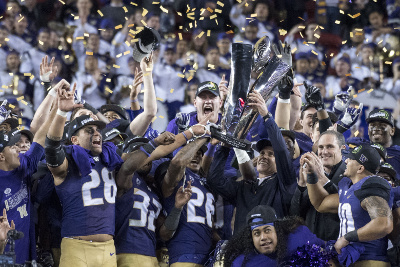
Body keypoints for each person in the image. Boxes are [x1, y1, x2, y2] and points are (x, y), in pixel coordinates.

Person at [44, 82, 152, 267]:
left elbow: (135, 151)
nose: (97, 134)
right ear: (74, 139)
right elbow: (52, 149)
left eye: (98, 130)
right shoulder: (68, 160)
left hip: (108, 248)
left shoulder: (110, 157)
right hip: (75, 245)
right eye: (89, 130)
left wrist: (161, 141)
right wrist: (61, 112)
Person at [208, 90, 297, 233]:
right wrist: (225, 146)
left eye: (271, 154)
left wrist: (266, 115)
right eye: (261, 153)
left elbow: (281, 151)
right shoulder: (245, 187)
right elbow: (215, 180)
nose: (264, 156)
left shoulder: (285, 183)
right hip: (242, 252)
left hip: (272, 251)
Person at [306, 144, 393, 266]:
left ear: (360, 168)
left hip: (370, 260)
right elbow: (320, 204)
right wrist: (310, 175)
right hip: (350, 260)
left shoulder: (371, 186)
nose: (346, 160)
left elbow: (384, 224)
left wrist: (346, 238)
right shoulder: (349, 187)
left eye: (351, 159)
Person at [0, 91, 57, 263]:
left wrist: (54, 99)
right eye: (13, 146)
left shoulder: (22, 165)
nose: (19, 148)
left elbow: (38, 132)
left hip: (25, 253)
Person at [222, 205, 327, 267]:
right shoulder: (242, 262)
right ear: (251, 238)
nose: (263, 237)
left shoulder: (299, 237)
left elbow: (326, 252)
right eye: (257, 233)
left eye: (267, 230)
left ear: (277, 231)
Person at [291, 130, 346, 241]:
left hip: (338, 246)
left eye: (330, 147)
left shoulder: (350, 174)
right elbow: (295, 214)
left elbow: (344, 205)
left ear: (342, 149)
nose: (324, 152)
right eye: (321, 147)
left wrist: (321, 177)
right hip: (311, 245)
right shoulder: (310, 173)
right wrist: (301, 186)